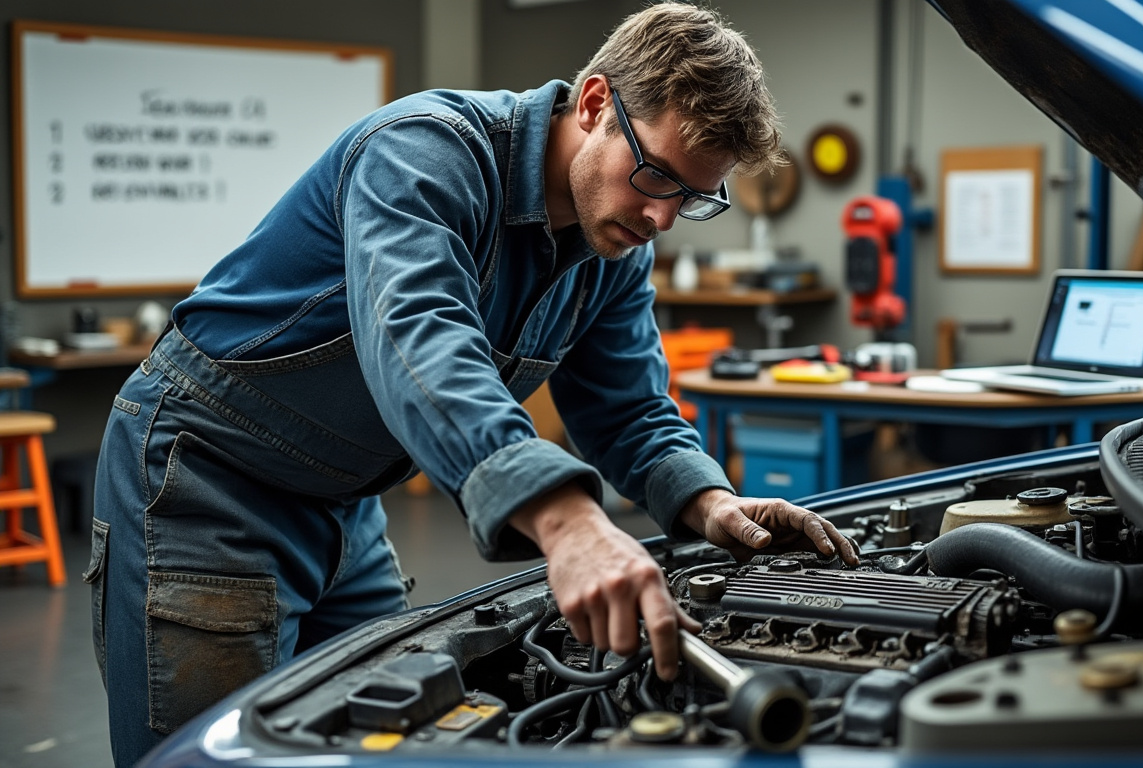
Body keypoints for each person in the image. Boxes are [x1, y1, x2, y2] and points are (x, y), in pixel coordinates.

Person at [89, 4, 857, 765]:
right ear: (594, 103)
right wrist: (568, 523)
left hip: (345, 505)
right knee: (214, 754)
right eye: (654, 174)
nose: (661, 216)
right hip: (206, 480)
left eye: (691, 197)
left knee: (389, 729)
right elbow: (421, 340)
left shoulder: (615, 248)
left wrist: (710, 502)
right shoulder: (424, 153)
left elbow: (629, 411)